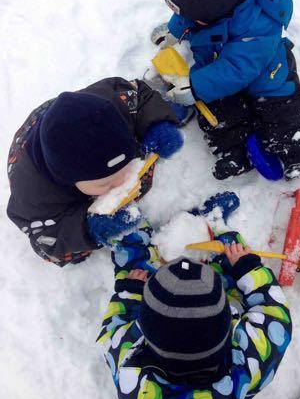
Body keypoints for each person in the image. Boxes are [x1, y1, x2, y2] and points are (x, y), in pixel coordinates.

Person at [151, 0, 300, 180]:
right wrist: (175, 31)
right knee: (214, 110)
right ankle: (233, 151)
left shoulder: (259, 20)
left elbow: (240, 67)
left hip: (261, 69)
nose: (190, 19)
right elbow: (188, 13)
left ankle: (293, 147)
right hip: (218, 65)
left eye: (195, 17)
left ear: (221, 9)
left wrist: (196, 85)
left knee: (281, 103)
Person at [96, 217, 292, 399]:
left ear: (145, 327)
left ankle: (133, 232)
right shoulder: (241, 370)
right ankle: (217, 225)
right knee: (232, 259)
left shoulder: (129, 361)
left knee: (133, 273)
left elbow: (111, 332)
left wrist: (130, 292)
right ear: (225, 327)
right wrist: (248, 268)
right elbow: (275, 319)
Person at [7, 77, 183, 266]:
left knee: (141, 156)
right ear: (69, 180)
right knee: (62, 251)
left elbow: (139, 94)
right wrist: (89, 230)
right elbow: (45, 235)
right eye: (103, 183)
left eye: (123, 171)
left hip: (84, 114)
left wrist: (157, 125)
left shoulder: (111, 105)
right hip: (33, 142)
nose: (119, 183)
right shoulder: (33, 193)